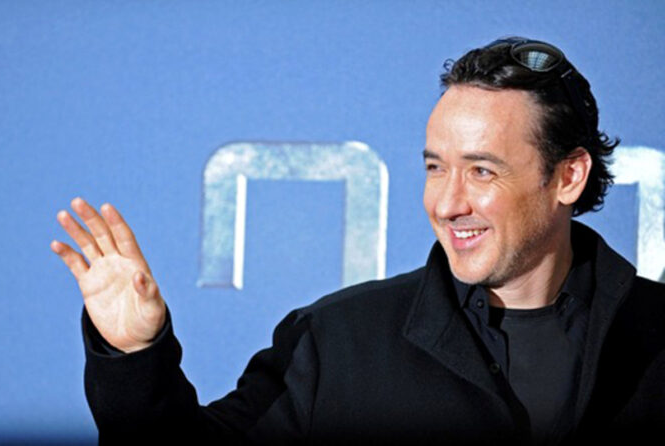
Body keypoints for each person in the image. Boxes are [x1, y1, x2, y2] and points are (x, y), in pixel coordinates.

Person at [51, 37, 665, 445]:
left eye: (482, 171)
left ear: (568, 176)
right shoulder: (336, 341)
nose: (447, 202)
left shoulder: (655, 336)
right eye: (435, 168)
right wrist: (135, 356)